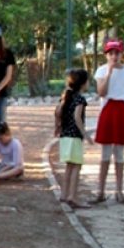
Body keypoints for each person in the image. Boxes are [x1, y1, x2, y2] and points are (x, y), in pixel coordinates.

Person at [92, 40, 124, 204]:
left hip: (123, 110)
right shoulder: (101, 70)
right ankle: (100, 190)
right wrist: (109, 73)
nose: (114, 56)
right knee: (105, 153)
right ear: (106, 55)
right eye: (111, 53)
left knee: (120, 153)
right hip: (108, 109)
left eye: (117, 53)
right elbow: (101, 92)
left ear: (122, 54)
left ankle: (119, 190)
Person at [56, 69, 93, 209]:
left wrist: (58, 126)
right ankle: (73, 196)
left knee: (69, 166)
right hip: (74, 137)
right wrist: (85, 134)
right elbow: (77, 117)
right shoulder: (80, 99)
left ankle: (64, 194)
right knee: (77, 166)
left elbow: (58, 112)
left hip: (65, 136)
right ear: (83, 83)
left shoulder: (66, 97)